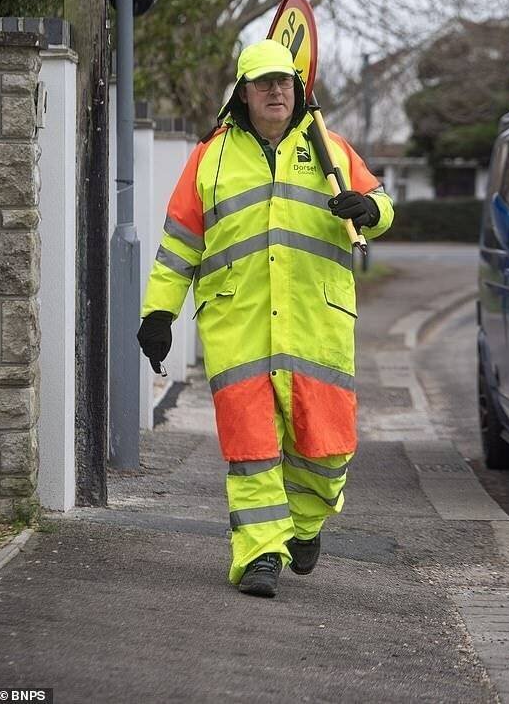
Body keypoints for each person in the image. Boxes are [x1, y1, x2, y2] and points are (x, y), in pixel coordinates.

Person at [137, 39, 394, 598]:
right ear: (243, 93)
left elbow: (382, 208)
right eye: (263, 83)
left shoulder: (331, 150)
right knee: (251, 451)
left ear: (298, 89)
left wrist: (370, 210)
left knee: (326, 452)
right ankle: (259, 556)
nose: (276, 91)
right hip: (239, 330)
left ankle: (303, 527)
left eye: (284, 82)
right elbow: (180, 244)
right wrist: (159, 311)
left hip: (317, 328)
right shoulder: (210, 157)